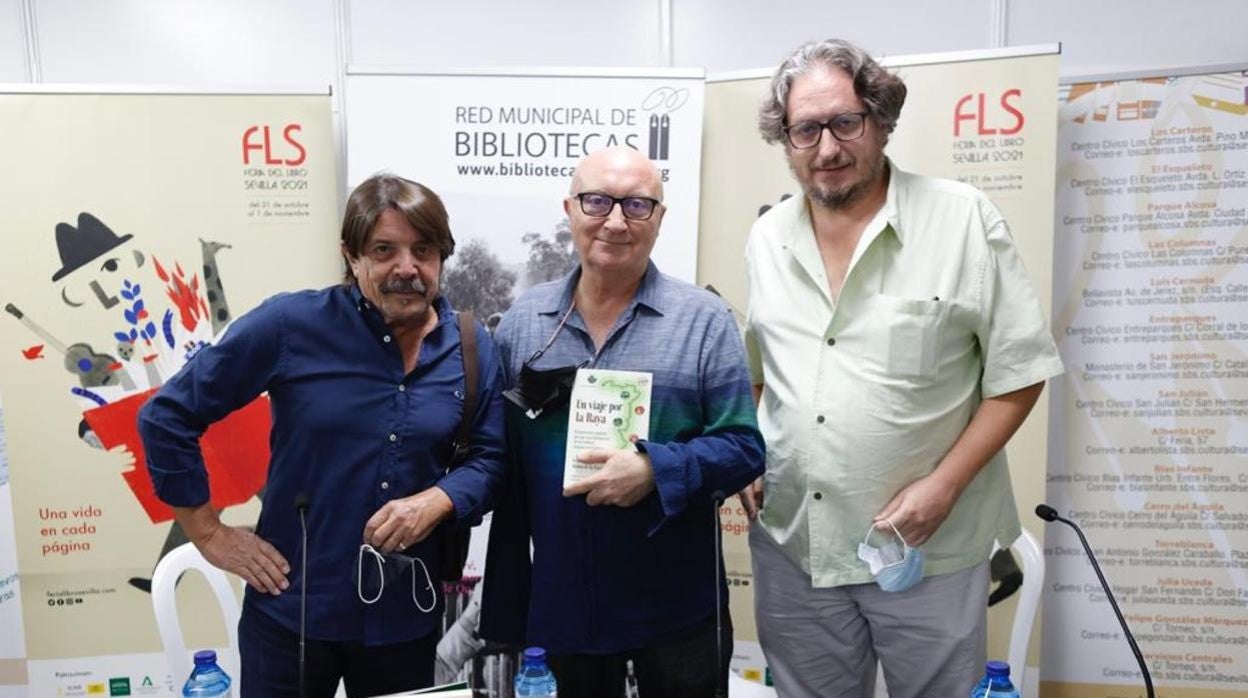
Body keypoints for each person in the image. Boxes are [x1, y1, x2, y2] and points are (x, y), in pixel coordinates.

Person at [741, 39, 1064, 698]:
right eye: (806, 129)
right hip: (795, 548)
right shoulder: (767, 238)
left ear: (881, 120)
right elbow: (762, 368)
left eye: (845, 123)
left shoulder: (963, 219)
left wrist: (944, 486)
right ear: (786, 139)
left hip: (929, 550)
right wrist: (752, 449)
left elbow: (1019, 372)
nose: (827, 147)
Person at [138, 174, 507, 697]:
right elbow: (166, 417)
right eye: (385, 250)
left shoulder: (472, 348)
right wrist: (209, 533)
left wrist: (438, 499)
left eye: (423, 250)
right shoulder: (291, 325)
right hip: (293, 613)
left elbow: (490, 461)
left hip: (406, 618)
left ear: (441, 258)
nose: (407, 267)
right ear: (352, 257)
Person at [479, 147, 765, 698]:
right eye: (597, 201)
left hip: (677, 608)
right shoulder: (522, 324)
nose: (615, 220)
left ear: (659, 218)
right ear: (569, 209)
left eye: (636, 205)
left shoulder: (702, 323)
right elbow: (502, 464)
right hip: (562, 606)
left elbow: (744, 448)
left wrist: (656, 470)